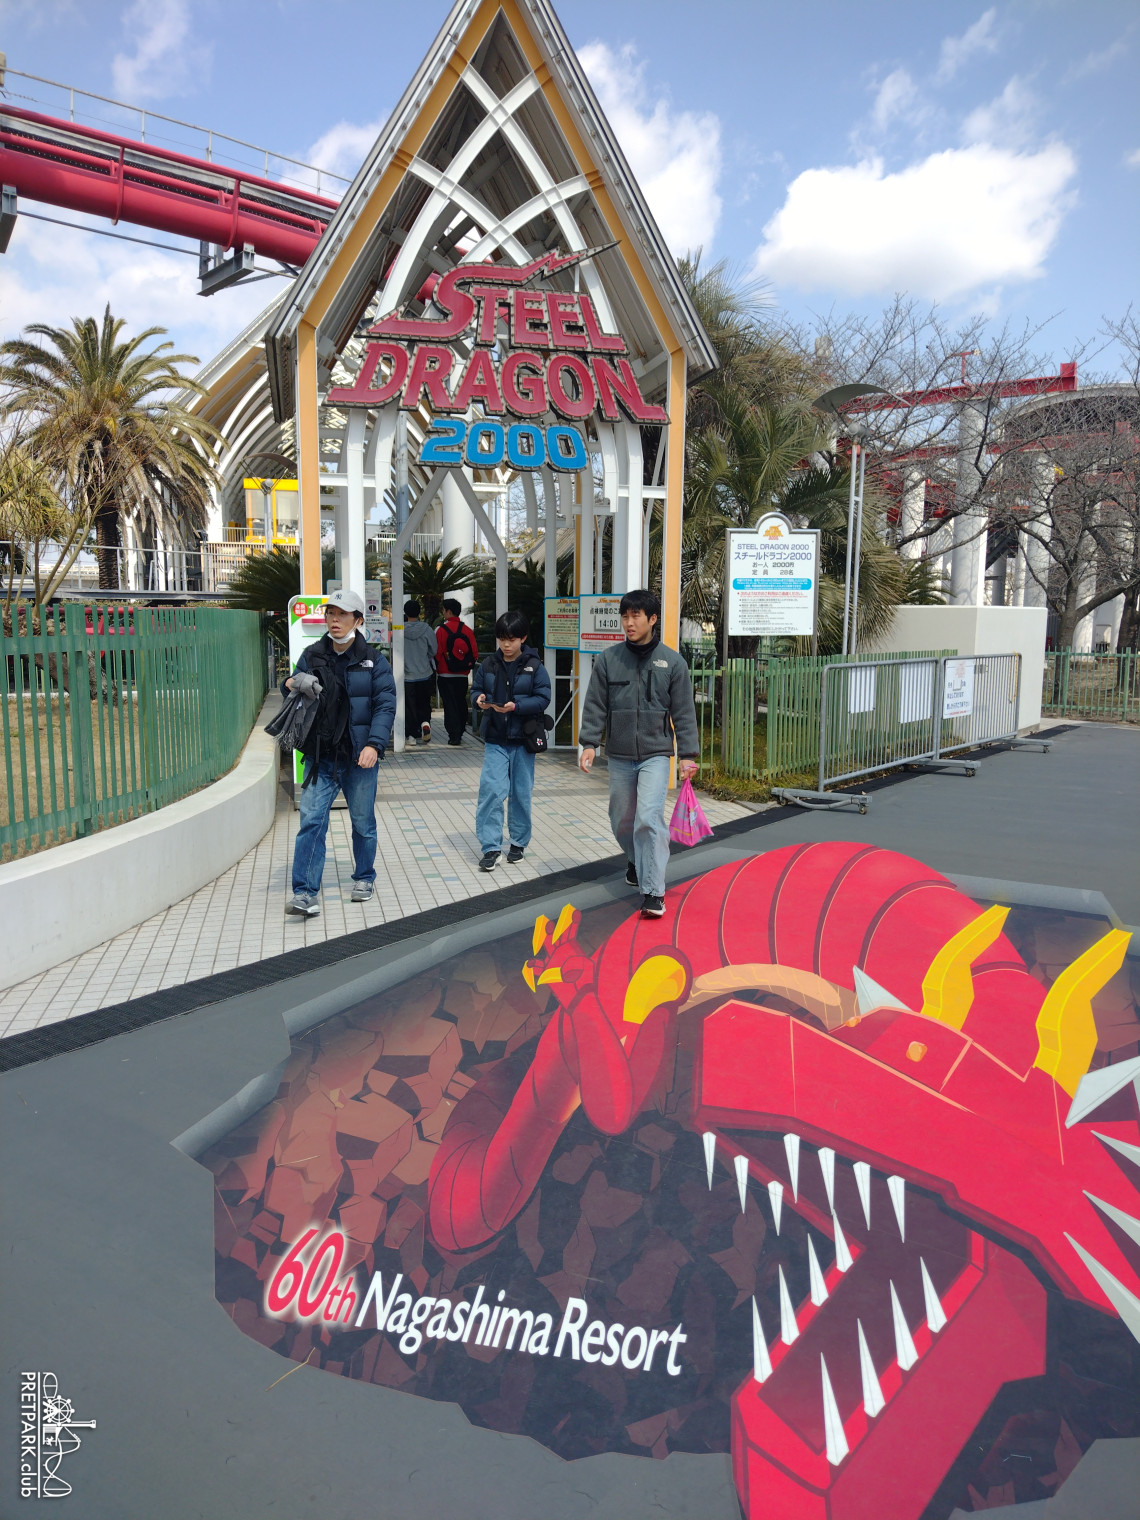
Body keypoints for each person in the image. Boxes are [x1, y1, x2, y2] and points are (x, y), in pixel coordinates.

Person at [578, 588, 700, 918]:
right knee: (621, 820)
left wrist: (687, 754)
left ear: (652, 619)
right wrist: (589, 743)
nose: (629, 623)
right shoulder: (609, 660)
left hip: (656, 754)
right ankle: (635, 858)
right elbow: (595, 704)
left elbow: (684, 711)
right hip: (619, 755)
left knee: (649, 819)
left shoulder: (672, 662)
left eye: (636, 616)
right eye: (625, 616)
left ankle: (653, 892)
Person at [283, 588, 396, 917]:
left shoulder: (374, 660)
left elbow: (385, 705)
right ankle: (305, 893)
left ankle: (364, 877)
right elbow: (292, 692)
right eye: (330, 613)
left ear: (358, 620)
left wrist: (374, 745)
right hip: (321, 757)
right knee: (311, 821)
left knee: (363, 822)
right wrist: (289, 684)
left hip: (360, 758)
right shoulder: (312, 655)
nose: (334, 620)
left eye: (342, 614)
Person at [471, 610, 551, 871]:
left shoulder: (534, 666)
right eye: (502, 639)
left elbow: (543, 698)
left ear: (523, 638)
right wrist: (478, 699)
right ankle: (491, 847)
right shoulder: (489, 664)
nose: (506, 645)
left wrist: (516, 706)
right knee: (491, 792)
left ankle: (518, 842)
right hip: (495, 738)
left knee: (520, 793)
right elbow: (476, 689)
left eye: (512, 639)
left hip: (523, 740)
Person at [435, 597, 479, 745]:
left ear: (448, 611)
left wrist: (438, 666)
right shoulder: (467, 630)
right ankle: (460, 730)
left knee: (449, 704)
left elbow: (436, 652)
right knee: (460, 702)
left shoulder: (440, 630)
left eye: (443, 610)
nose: (443, 613)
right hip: (462, 675)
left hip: (445, 674)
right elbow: (474, 653)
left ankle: (453, 734)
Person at [401, 599, 436, 745]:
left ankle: (411, 736)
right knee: (424, 702)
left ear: (405, 612)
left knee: (409, 706)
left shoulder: (399, 629)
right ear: (419, 612)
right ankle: (425, 723)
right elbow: (434, 650)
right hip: (424, 673)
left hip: (406, 675)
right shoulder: (427, 629)